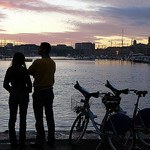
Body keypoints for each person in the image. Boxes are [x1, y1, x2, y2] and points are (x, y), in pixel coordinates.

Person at [28, 42, 56, 148]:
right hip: (49, 91)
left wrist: (36, 75)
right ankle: (51, 139)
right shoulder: (53, 63)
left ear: (44, 50)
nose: (38, 49)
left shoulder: (37, 62)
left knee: (39, 117)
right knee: (50, 116)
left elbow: (29, 72)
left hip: (39, 91)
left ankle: (40, 140)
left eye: (39, 48)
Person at [3, 52, 32, 149]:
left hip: (13, 95)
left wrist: (11, 90)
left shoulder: (10, 70)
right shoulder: (24, 71)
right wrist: (27, 91)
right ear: (23, 60)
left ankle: (13, 141)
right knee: (23, 119)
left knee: (12, 118)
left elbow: (5, 85)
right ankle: (22, 142)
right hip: (23, 95)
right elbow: (30, 85)